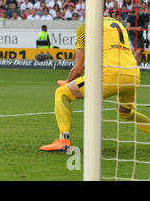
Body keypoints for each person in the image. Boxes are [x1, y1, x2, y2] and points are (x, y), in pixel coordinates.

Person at [40, 17, 150, 151]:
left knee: (61, 93)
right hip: (132, 73)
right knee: (126, 113)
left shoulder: (84, 28)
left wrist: (67, 83)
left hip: (109, 73)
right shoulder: (117, 24)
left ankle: (63, 140)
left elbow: (78, 69)